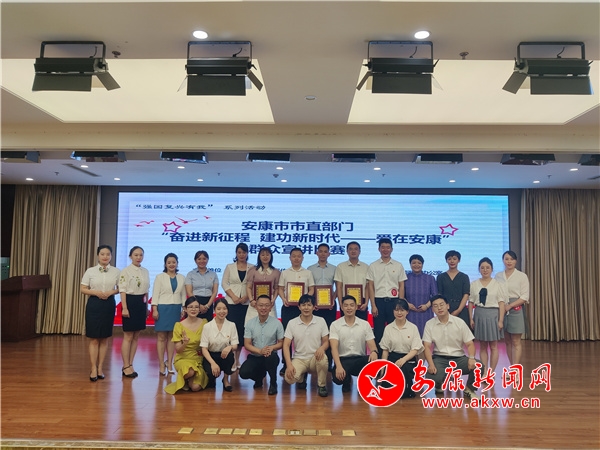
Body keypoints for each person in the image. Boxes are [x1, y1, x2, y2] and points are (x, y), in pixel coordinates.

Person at [422, 295, 482, 399]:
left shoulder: (459, 322)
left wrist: (471, 358)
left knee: (479, 366)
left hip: (458, 358)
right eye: (435, 306)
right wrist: (430, 364)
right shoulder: (429, 324)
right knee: (432, 376)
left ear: (448, 306)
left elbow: (470, 343)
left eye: (442, 305)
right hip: (439, 358)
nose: (439, 308)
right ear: (432, 309)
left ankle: (469, 389)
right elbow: (426, 346)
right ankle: (439, 384)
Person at [80, 245, 120, 382]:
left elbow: (120, 288)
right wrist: (96, 292)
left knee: (104, 338)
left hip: (109, 304)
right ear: (98, 255)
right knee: (94, 338)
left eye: (108, 254)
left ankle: (100, 368)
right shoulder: (90, 271)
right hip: (94, 304)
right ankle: (93, 368)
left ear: (111, 256)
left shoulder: (116, 271)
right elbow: (83, 288)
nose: (105, 256)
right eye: (102, 254)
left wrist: (111, 292)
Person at [283, 294, 330, 397]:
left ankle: (321, 385)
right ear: (299, 307)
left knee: (323, 359)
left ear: (314, 307)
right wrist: (289, 364)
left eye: (309, 305)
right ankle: (301, 378)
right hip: (299, 358)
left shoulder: (321, 321)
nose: (306, 308)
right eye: (303, 305)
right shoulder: (292, 323)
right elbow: (286, 345)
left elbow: (326, 341)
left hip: (315, 357)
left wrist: (322, 348)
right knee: (289, 378)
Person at [330, 295, 378, 393]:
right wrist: (338, 366)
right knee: (337, 378)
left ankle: (364, 382)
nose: (349, 308)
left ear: (356, 307)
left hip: (359, 359)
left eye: (352, 305)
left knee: (374, 362)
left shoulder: (365, 324)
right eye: (346, 305)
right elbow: (334, 348)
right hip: (343, 360)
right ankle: (346, 381)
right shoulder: (335, 325)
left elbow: (372, 344)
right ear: (342, 307)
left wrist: (374, 352)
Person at [278, 247, 315, 375]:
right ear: (290, 258)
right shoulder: (285, 273)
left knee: (303, 335)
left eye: (299, 256)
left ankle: (304, 362)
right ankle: (286, 363)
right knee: (287, 336)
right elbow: (280, 289)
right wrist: (284, 299)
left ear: (303, 258)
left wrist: (306, 300)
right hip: (288, 307)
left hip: (303, 309)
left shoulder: (308, 273)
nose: (296, 258)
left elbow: (311, 289)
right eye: (294, 256)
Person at [367, 238, 407, 349]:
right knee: (379, 331)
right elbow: (370, 286)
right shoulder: (373, 266)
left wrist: (400, 304)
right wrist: (373, 305)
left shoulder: (398, 265)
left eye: (388, 247)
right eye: (383, 247)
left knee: (395, 329)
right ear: (379, 249)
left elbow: (401, 285)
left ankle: (393, 354)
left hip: (394, 301)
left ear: (392, 249)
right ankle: (380, 356)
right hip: (378, 301)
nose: (385, 250)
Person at [240, 294, 284, 395]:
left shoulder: (277, 323)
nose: (263, 308)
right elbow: (247, 344)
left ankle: (273, 383)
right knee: (243, 373)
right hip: (255, 355)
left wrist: (271, 348)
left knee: (271, 358)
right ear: (256, 307)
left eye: (266, 305)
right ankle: (258, 378)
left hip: (270, 355)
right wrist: (260, 351)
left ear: (270, 307)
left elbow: (281, 343)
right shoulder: (250, 323)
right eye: (260, 305)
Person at [469, 257, 507, 372]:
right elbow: (471, 302)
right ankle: (484, 371)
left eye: (487, 268)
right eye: (482, 268)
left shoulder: (497, 284)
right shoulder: (474, 284)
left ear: (492, 269)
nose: (485, 270)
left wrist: (500, 320)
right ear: (479, 269)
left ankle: (491, 371)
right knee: (483, 346)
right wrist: (471, 318)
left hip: (493, 315)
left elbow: (501, 303)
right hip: (479, 314)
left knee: (494, 346)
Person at [380, 298, 424, 398]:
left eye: (402, 310)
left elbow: (415, 350)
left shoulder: (413, 328)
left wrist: (403, 360)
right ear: (393, 311)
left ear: (407, 311)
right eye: (396, 310)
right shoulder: (388, 328)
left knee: (403, 368)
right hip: (393, 358)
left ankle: (406, 388)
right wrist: (383, 369)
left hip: (408, 359)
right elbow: (385, 350)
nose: (399, 313)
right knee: (386, 385)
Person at [164, 297, 209, 394]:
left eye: (196, 307)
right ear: (185, 309)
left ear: (199, 309)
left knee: (195, 387)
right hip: (183, 358)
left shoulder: (204, 323)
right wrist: (184, 343)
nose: (193, 309)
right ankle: (185, 377)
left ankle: (189, 381)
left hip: (198, 359)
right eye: (190, 307)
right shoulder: (179, 325)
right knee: (190, 371)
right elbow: (178, 350)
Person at [152, 253, 186, 376]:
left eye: (174, 262)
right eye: (169, 262)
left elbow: (183, 294)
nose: (171, 264)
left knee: (172, 337)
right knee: (161, 337)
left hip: (175, 308)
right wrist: (154, 309)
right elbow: (155, 294)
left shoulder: (182, 277)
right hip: (162, 308)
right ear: (165, 264)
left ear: (177, 263)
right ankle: (161, 364)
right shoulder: (159, 277)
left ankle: (169, 363)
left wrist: (184, 308)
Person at [118, 246, 150, 378]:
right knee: (128, 336)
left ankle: (130, 364)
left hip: (141, 304)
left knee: (136, 336)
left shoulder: (145, 271)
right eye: (136, 255)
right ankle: (125, 365)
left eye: (141, 255)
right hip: (130, 302)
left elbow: (146, 290)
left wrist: (146, 306)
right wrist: (124, 308)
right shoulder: (125, 271)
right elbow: (122, 290)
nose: (138, 257)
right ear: (130, 256)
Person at [495, 250, 530, 366]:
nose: (509, 261)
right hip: (502, 309)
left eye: (511, 259)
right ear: (503, 260)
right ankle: (511, 367)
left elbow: (525, 296)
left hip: (516, 308)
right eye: (506, 259)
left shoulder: (522, 276)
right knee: (507, 341)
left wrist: (510, 306)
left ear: (516, 261)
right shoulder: (498, 276)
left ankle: (516, 368)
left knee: (515, 340)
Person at [307, 243, 337, 369]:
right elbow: (309, 288)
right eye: (321, 251)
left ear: (329, 254)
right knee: (315, 333)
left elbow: (338, 287)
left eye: (325, 251)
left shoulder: (335, 268)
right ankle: (314, 361)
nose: (323, 254)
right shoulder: (310, 269)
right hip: (316, 306)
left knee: (329, 333)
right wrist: (312, 303)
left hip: (330, 306)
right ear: (316, 253)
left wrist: (333, 299)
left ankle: (329, 361)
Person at [221, 243, 250, 370]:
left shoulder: (252, 267)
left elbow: (253, 284)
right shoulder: (230, 266)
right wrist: (233, 297)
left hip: (246, 304)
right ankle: (231, 359)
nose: (241, 255)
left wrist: (246, 297)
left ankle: (238, 359)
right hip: (232, 303)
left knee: (242, 331)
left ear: (247, 253)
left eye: (244, 252)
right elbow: (224, 283)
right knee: (232, 331)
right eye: (239, 252)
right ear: (236, 253)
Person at [200, 299, 238, 392]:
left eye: (224, 308)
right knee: (211, 383)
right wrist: (213, 363)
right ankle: (211, 378)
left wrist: (230, 347)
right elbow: (204, 348)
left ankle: (225, 380)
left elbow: (235, 345)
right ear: (214, 310)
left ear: (228, 310)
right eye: (219, 309)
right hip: (211, 355)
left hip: (224, 355)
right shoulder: (207, 326)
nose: (222, 311)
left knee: (230, 356)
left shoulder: (232, 325)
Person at [334, 241, 371, 321]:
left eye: (356, 249)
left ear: (359, 251)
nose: (353, 251)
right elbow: (339, 287)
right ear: (347, 251)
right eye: (350, 249)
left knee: (361, 326)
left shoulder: (366, 267)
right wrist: (340, 303)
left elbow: (367, 287)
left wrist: (366, 303)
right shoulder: (341, 267)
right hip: (346, 303)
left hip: (362, 303)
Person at [405, 254, 438, 337]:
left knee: (426, 336)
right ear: (410, 264)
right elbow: (401, 295)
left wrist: (426, 306)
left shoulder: (430, 278)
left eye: (419, 263)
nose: (416, 265)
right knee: (410, 336)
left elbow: (435, 295)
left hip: (426, 312)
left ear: (422, 264)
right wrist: (407, 304)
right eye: (414, 263)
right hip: (409, 313)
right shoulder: (405, 278)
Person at [436, 250, 470, 328]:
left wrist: (458, 310)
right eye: (449, 259)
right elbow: (439, 295)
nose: (452, 261)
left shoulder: (464, 277)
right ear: (446, 261)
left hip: (461, 309)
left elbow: (466, 294)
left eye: (454, 259)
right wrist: (444, 309)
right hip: (445, 309)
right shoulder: (441, 277)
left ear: (459, 260)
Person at [245, 247, 280, 322]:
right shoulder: (253, 270)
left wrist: (273, 300)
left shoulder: (276, 272)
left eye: (267, 255)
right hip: (255, 302)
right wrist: (251, 300)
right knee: (252, 324)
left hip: (269, 303)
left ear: (271, 256)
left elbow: (276, 288)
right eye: (263, 255)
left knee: (270, 324)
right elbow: (248, 287)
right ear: (259, 256)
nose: (265, 257)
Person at [185, 250, 218, 322]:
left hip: (208, 302)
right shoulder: (190, 274)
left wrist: (207, 306)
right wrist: (198, 305)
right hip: (194, 302)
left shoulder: (213, 274)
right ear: (195, 260)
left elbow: (215, 292)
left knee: (208, 326)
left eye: (204, 259)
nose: (202, 261)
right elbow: (189, 292)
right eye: (199, 259)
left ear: (207, 260)